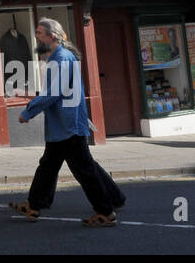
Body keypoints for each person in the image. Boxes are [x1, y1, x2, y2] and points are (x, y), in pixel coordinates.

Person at [9, 19, 126, 227]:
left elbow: (54, 93)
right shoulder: (58, 58)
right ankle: (34, 205)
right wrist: (31, 96)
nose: (36, 37)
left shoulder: (61, 58)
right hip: (62, 126)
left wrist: (28, 112)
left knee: (84, 170)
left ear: (51, 37)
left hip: (68, 125)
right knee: (49, 166)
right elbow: (55, 91)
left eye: (39, 33)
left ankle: (105, 213)